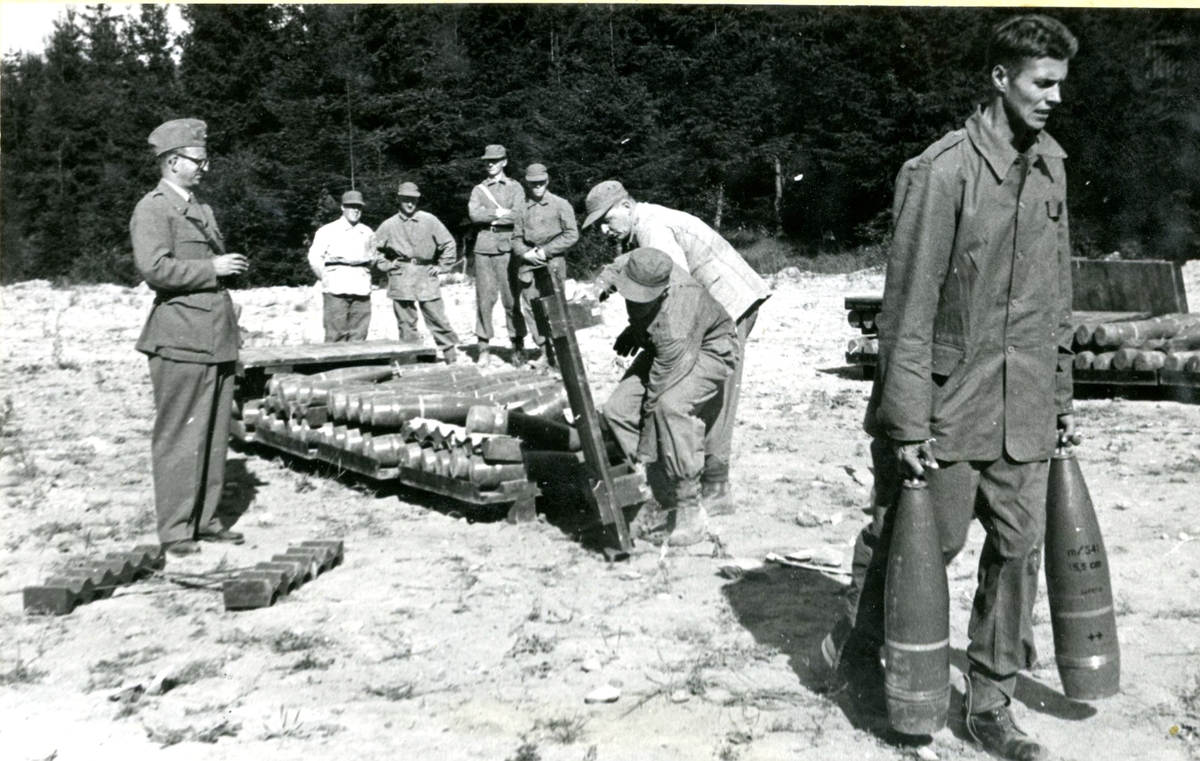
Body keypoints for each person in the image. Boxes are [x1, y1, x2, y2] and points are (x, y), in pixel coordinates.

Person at [827, 16, 1080, 761]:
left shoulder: (1051, 167)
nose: (1054, 98)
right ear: (1000, 79)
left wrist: (1061, 397)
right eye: (1042, 83)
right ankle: (861, 657)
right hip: (947, 405)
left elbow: (1056, 295)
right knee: (919, 544)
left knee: (1018, 547)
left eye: (1061, 84)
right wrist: (906, 425)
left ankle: (991, 704)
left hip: (1026, 402)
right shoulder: (940, 171)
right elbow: (906, 307)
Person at [583, 180, 770, 516]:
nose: (603, 231)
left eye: (606, 221)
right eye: (598, 226)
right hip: (703, 305)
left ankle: (716, 486)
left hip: (730, 303)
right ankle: (689, 480)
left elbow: (673, 294)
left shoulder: (654, 229)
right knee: (690, 393)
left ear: (626, 206)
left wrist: (642, 332)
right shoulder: (641, 226)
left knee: (711, 394)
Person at [130, 118, 248, 557]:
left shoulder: (199, 207)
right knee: (180, 434)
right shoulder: (153, 208)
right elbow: (154, 268)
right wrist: (210, 270)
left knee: (215, 432)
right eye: (199, 160)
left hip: (215, 335)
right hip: (179, 336)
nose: (205, 167)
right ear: (173, 161)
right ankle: (176, 530)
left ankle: (205, 519)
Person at [597, 248, 737, 547]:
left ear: (661, 293)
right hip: (660, 342)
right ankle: (658, 493)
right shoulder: (646, 264)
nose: (633, 304)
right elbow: (625, 261)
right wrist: (606, 282)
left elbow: (657, 393)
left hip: (709, 349)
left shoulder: (676, 322)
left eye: (642, 299)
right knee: (616, 410)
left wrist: (650, 451)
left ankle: (686, 505)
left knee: (669, 409)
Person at [373, 182, 462, 365]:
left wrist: (442, 266)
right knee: (406, 322)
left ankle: (450, 355)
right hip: (401, 275)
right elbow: (373, 249)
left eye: (413, 200)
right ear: (398, 200)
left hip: (425, 273)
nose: (410, 204)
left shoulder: (429, 220)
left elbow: (448, 243)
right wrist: (386, 265)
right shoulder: (389, 225)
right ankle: (412, 359)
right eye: (406, 200)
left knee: (437, 316)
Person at [512, 162, 579, 368]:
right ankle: (545, 352)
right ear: (527, 184)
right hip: (529, 265)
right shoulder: (522, 209)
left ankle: (563, 355)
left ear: (547, 181)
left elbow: (571, 234)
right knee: (533, 309)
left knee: (555, 308)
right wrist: (526, 253)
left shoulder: (561, 204)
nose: (538, 187)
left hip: (553, 263)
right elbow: (515, 239)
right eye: (533, 184)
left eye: (541, 182)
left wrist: (546, 250)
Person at [468, 144, 527, 366]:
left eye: (495, 160)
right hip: (484, 247)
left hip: (508, 248)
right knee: (484, 298)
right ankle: (483, 347)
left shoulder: (515, 188)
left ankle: (517, 344)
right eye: (487, 161)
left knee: (511, 299)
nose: (490, 164)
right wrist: (501, 213)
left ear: (505, 161)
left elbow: (519, 215)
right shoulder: (478, 190)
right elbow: (474, 215)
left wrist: (490, 216)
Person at [307, 190, 375, 342]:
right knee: (335, 334)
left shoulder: (367, 232)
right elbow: (314, 257)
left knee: (359, 333)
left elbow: (373, 257)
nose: (356, 210)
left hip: (361, 287)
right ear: (342, 207)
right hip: (335, 288)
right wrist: (326, 277)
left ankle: (356, 365)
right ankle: (334, 365)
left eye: (359, 207)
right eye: (351, 206)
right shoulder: (327, 231)